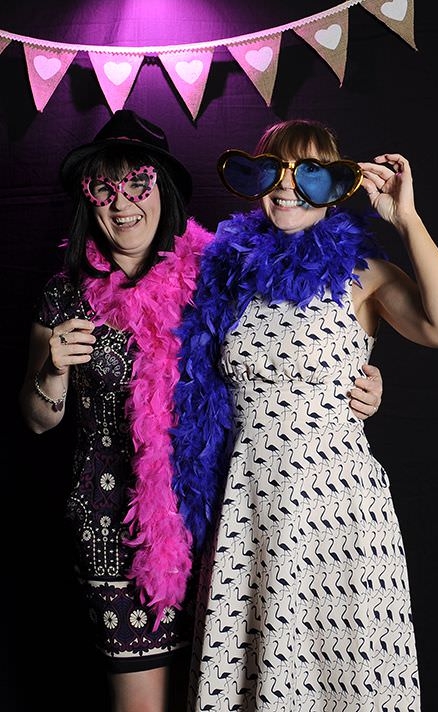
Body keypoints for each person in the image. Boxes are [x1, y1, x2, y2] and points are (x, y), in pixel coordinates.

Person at [18, 111, 383, 712]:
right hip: (115, 526)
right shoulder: (65, 294)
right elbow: (37, 419)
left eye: (138, 184)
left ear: (163, 190)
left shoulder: (217, 267)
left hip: (223, 522)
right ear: (89, 201)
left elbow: (291, 341)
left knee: (233, 694)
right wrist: (51, 371)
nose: (122, 203)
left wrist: (360, 378)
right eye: (104, 189)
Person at [172, 119, 438, 712]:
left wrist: (406, 221)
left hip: (335, 511)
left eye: (309, 173)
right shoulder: (226, 273)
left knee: (346, 682)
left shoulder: (362, 274)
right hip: (250, 507)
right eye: (273, 171)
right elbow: (192, 382)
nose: (288, 187)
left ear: (337, 186)